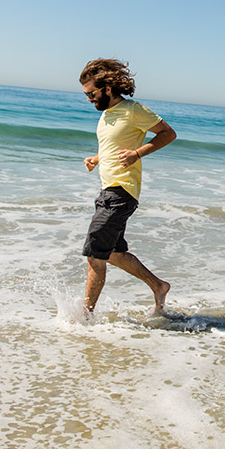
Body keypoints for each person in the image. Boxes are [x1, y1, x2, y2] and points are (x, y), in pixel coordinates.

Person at [79, 58, 176, 315]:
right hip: (107, 190)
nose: (89, 99)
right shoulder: (107, 116)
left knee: (94, 255)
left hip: (121, 191)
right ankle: (158, 285)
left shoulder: (133, 110)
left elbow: (168, 133)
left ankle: (84, 317)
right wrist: (97, 159)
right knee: (112, 253)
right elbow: (112, 147)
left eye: (91, 93)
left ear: (107, 89)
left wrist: (138, 153)